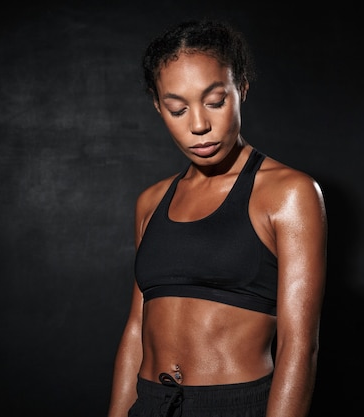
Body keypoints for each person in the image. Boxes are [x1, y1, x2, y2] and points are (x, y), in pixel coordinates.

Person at [108, 19, 327, 417]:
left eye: (214, 101)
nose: (198, 126)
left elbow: (300, 344)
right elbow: (136, 330)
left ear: (240, 89)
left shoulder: (288, 193)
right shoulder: (151, 202)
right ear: (159, 107)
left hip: (235, 406)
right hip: (151, 402)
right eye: (177, 108)